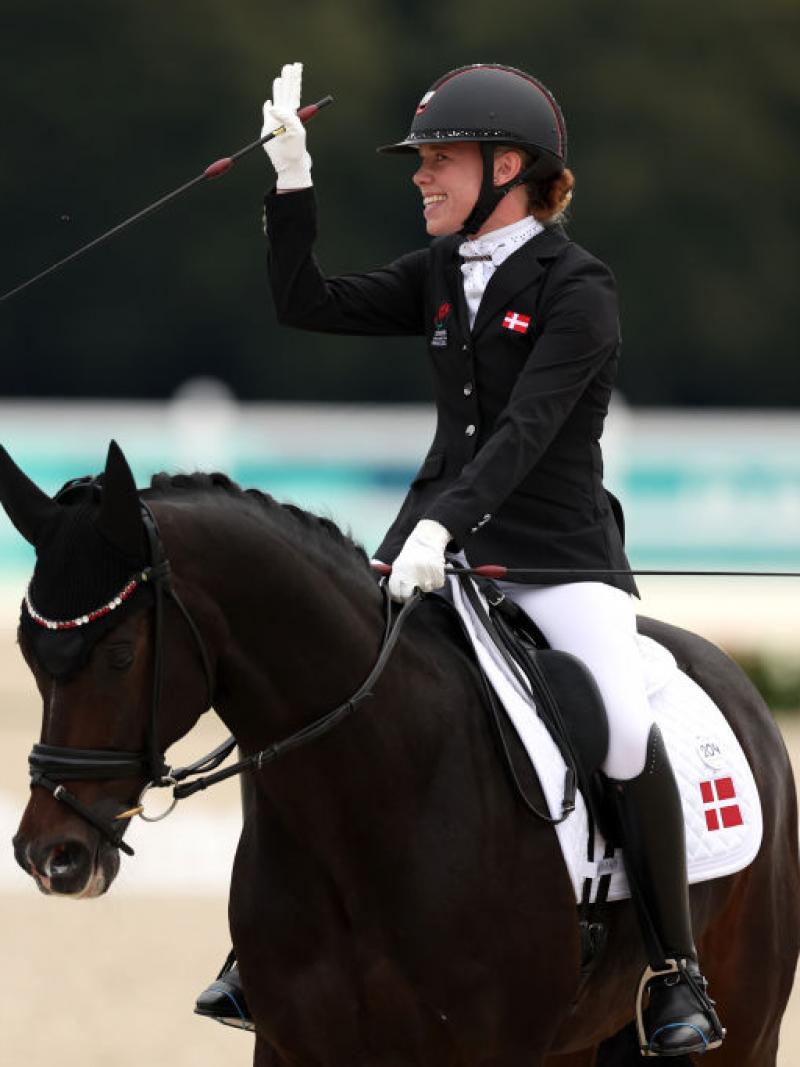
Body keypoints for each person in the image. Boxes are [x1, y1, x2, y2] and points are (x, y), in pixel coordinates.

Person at [195, 61, 725, 1057]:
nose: (420, 178)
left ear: (508, 166)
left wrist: (446, 523)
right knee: (316, 701)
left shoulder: (578, 289)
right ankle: (261, 942)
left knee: (614, 724)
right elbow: (307, 302)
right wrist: (292, 181)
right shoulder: (438, 271)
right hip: (431, 546)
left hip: (556, 558)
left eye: (438, 160)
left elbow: (526, 428)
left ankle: (670, 965)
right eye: (421, 161)